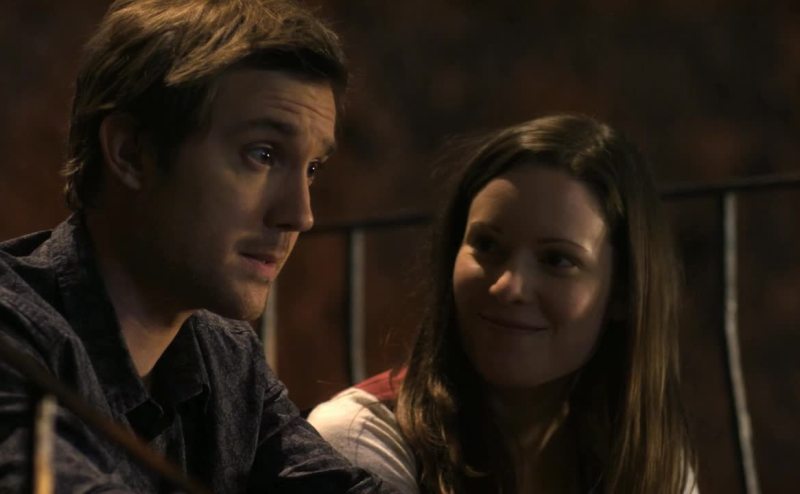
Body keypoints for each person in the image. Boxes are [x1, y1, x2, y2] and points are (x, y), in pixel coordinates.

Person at [0, 0, 395, 492]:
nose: (301, 215)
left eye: (312, 168)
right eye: (263, 154)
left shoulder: (226, 353)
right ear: (131, 152)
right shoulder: (14, 337)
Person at [309, 114, 699, 493]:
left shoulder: (647, 458)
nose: (508, 287)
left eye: (557, 260)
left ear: (623, 294)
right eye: (486, 245)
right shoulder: (359, 439)